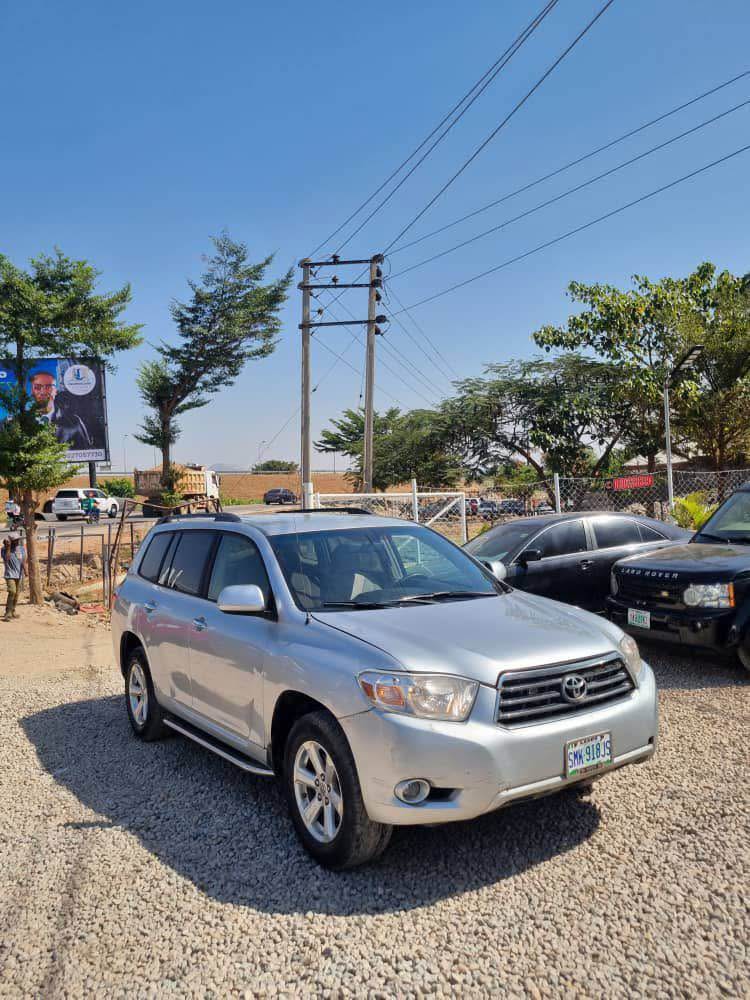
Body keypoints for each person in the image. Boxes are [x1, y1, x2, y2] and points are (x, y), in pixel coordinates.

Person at [30, 371, 93, 450]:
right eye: (37, 387)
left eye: (48, 386)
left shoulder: (73, 422)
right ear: (32, 391)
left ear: (55, 391)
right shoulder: (19, 422)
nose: (43, 392)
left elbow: (86, 453)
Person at [2, 533, 25, 621]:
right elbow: (6, 559)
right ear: (11, 541)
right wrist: (8, 547)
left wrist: (25, 571)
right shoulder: (4, 549)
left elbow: (23, 560)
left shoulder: (21, 548)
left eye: (18, 539)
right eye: (15, 540)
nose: (18, 541)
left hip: (18, 574)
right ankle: (8, 612)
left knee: (17, 594)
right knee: (12, 591)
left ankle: (13, 611)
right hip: (9, 574)